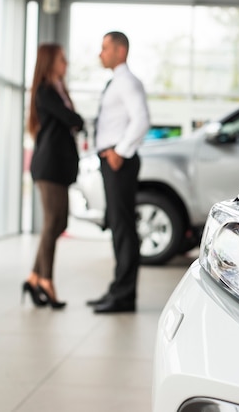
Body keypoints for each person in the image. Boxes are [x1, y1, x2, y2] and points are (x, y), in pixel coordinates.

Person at [87, 31, 150, 314]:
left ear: (120, 51)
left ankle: (124, 295)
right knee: (118, 225)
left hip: (119, 162)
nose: (101, 53)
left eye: (105, 48)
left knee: (123, 227)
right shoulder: (117, 81)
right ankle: (118, 289)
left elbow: (142, 120)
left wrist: (119, 151)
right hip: (113, 160)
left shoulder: (127, 82)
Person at [23, 43, 84, 310]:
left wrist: (76, 119)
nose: (66, 63)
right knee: (53, 223)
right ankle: (45, 280)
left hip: (58, 167)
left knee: (58, 223)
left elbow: (73, 120)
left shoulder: (58, 89)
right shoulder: (46, 91)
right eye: (61, 59)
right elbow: (71, 118)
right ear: (49, 62)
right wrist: (76, 118)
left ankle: (34, 277)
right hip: (49, 167)